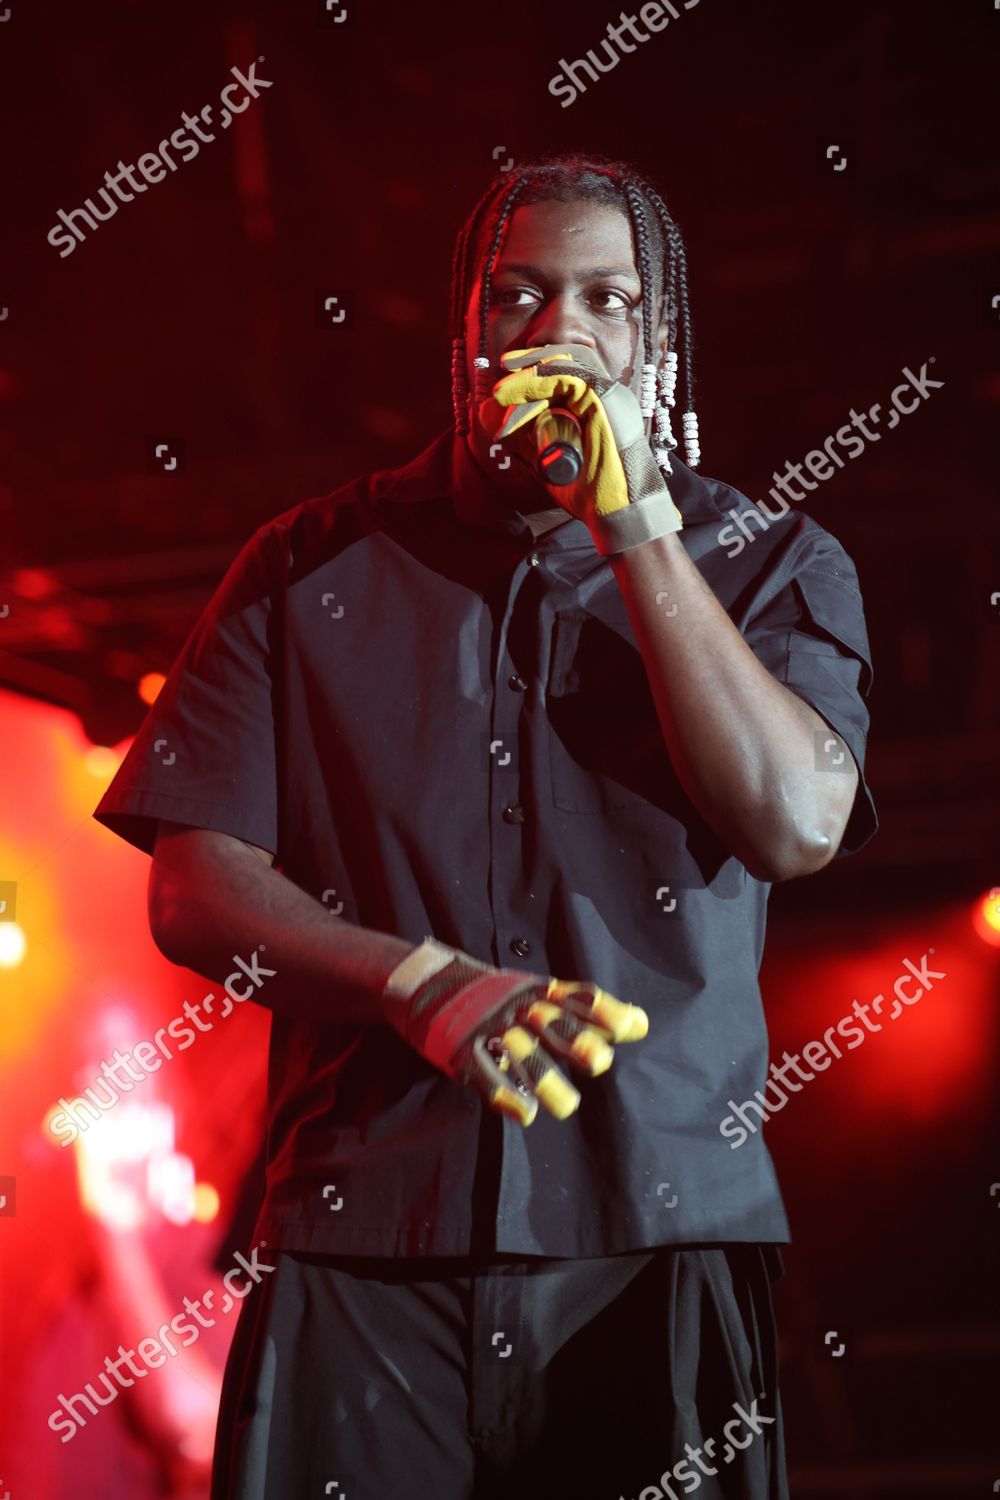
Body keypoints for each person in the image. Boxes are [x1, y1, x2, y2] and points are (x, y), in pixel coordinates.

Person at [93, 151, 877, 1500]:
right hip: (363, 1236)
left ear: (658, 340)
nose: (556, 333)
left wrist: (631, 528)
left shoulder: (771, 562)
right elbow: (194, 890)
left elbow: (798, 824)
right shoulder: (305, 566)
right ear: (465, 335)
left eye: (604, 301)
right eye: (515, 297)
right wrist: (420, 985)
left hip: (656, 1233)